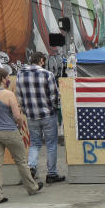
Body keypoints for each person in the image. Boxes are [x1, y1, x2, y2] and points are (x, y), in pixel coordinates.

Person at [0, 67, 43, 205]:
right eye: (7, 77)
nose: (9, 79)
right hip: (9, 131)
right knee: (21, 161)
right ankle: (32, 187)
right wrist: (20, 126)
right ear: (3, 79)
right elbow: (17, 116)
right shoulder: (8, 94)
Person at [16, 52, 64, 184]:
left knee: (35, 144)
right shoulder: (47, 74)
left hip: (31, 116)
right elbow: (54, 95)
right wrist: (54, 109)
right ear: (41, 60)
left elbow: (19, 96)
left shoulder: (20, 75)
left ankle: (31, 167)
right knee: (51, 145)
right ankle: (52, 173)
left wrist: (26, 111)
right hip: (48, 114)